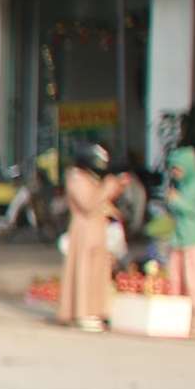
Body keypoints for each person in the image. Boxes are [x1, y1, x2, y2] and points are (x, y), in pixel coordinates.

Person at [59, 141, 124, 332]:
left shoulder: (92, 178)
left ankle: (97, 310)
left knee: (99, 272)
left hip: (98, 229)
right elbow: (88, 203)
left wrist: (117, 187)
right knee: (84, 270)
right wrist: (109, 187)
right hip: (84, 230)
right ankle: (83, 312)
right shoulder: (76, 178)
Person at [166, 145, 195, 337]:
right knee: (176, 279)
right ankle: (180, 318)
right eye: (173, 169)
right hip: (180, 240)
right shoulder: (181, 185)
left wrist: (179, 202)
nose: (176, 173)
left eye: (178, 168)